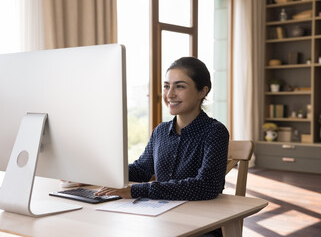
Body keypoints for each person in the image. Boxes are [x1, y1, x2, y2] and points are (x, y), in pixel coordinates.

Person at [96, 57, 229, 237]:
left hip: (200, 226)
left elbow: (207, 186)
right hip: (160, 220)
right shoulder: (160, 131)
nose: (169, 94)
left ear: (202, 92)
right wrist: (99, 173)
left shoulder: (215, 132)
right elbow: (141, 169)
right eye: (166, 86)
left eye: (180, 86)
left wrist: (135, 190)